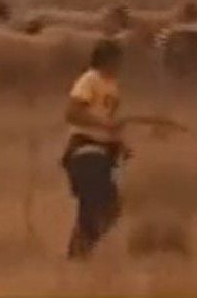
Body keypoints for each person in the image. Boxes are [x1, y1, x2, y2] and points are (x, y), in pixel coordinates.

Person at [62, 38, 128, 259]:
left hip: (103, 151)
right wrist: (104, 125)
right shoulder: (89, 80)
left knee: (110, 207)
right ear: (106, 60)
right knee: (97, 202)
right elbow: (72, 113)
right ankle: (77, 255)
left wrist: (119, 143)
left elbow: (108, 118)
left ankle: (80, 253)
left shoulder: (113, 85)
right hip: (85, 149)